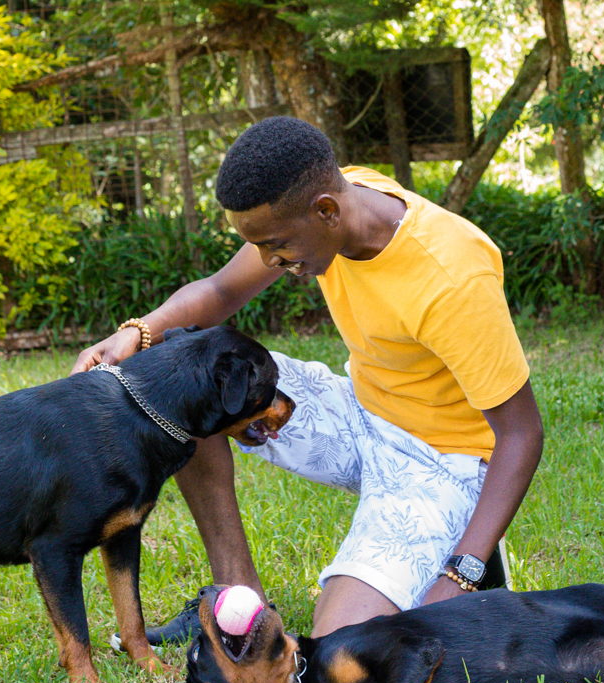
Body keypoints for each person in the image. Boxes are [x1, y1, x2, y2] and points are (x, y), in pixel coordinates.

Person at [72, 116, 543, 639]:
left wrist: (463, 571)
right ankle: (242, 606)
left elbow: (521, 435)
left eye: (276, 246)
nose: (270, 261)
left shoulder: (452, 276)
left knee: (338, 642)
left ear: (326, 211)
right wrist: (137, 334)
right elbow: (220, 294)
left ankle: (475, 557)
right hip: (361, 411)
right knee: (183, 377)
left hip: (443, 462)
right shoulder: (335, 201)